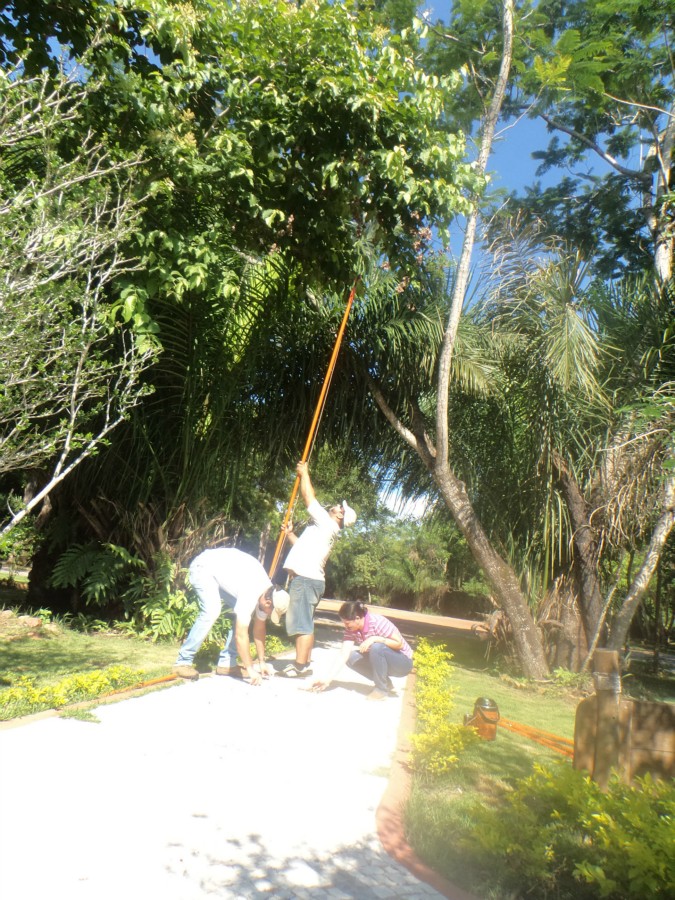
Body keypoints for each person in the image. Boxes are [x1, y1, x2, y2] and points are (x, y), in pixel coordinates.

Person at [278, 460, 356, 678]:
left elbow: (308, 498)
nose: (337, 506)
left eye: (341, 508)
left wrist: (305, 473)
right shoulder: (326, 530)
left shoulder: (327, 523)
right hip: (310, 580)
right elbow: (303, 547)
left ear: (340, 516)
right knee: (305, 622)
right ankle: (304, 662)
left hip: (306, 580)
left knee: (302, 624)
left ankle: (300, 666)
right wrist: (289, 534)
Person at [173, 547, 289, 684]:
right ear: (268, 603)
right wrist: (250, 669)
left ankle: (227, 663)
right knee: (212, 610)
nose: (269, 616)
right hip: (203, 567)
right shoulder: (251, 592)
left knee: (243, 616)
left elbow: (259, 629)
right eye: (272, 612)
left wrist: (262, 662)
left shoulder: (266, 592)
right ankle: (182, 662)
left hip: (219, 573)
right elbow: (241, 636)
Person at [311, 600, 413, 700]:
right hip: (383, 660)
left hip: (403, 662)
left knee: (376, 647)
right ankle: (385, 684)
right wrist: (327, 680)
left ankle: (381, 690)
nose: (346, 626)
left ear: (357, 618)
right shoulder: (351, 629)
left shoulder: (377, 622)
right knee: (351, 658)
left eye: (347, 623)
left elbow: (398, 644)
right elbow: (343, 654)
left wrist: (374, 638)